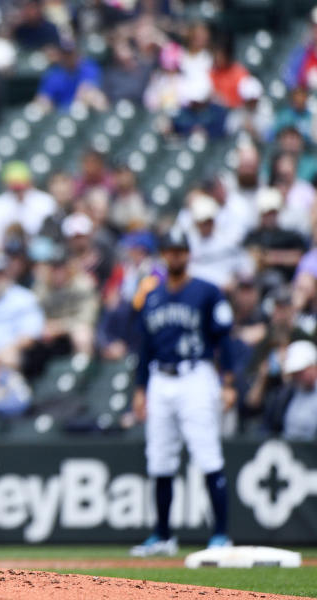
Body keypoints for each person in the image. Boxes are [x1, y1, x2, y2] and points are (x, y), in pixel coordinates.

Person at [130, 231, 236, 556]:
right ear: (163, 254)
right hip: (160, 377)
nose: (175, 256)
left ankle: (220, 535)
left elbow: (225, 338)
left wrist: (228, 381)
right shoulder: (152, 294)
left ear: (189, 254)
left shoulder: (206, 291)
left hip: (196, 375)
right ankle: (163, 536)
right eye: (170, 251)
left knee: (207, 454)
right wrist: (139, 389)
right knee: (160, 459)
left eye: (180, 251)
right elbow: (144, 347)